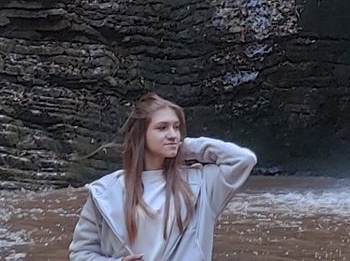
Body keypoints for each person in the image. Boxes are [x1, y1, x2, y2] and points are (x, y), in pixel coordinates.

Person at [69, 92, 256, 261]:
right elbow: (81, 253)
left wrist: (186, 147)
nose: (173, 135)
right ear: (141, 135)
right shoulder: (104, 192)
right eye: (162, 128)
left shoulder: (202, 184)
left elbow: (243, 159)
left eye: (176, 127)